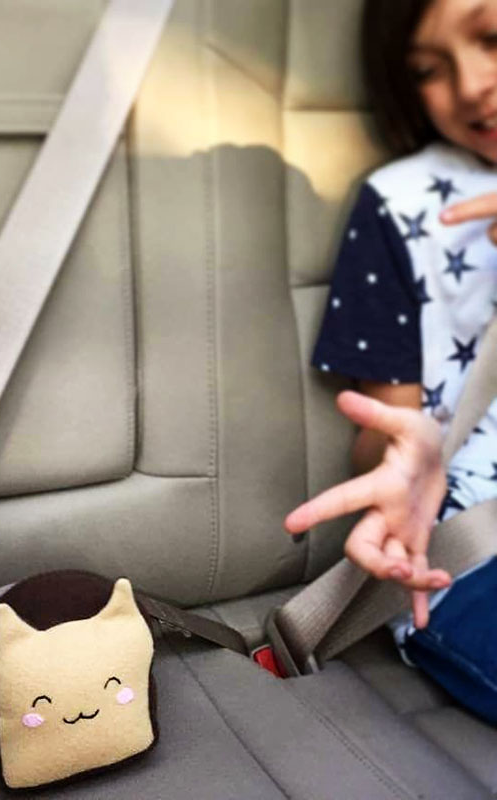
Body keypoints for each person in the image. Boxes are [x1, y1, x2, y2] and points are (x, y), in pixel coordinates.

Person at [284, 0, 497, 721]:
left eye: (493, 38)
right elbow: (385, 432)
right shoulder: (400, 205)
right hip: (469, 542)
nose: (470, 86)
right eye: (428, 70)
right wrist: (407, 455)